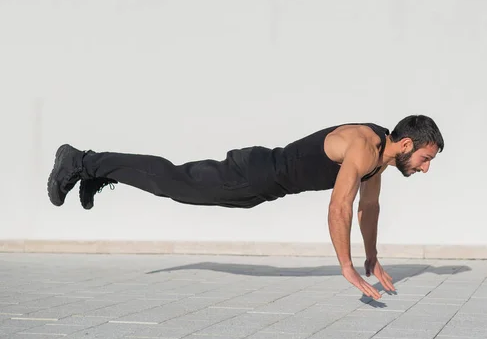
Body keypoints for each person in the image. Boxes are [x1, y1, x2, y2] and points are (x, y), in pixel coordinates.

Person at [47, 114, 444, 299]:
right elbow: (340, 205)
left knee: (174, 182)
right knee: (174, 182)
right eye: (426, 159)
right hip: (252, 173)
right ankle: (82, 161)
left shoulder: (380, 160)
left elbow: (366, 209)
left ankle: (94, 169)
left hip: (261, 187)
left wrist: (371, 257)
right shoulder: (363, 145)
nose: (425, 169)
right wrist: (346, 266)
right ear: (407, 144)